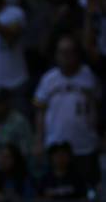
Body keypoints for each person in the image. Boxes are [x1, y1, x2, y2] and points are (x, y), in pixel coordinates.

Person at [34, 35, 102, 189]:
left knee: (87, 191)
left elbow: (99, 108)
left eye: (70, 52)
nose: (66, 56)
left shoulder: (89, 76)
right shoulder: (48, 79)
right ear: (56, 55)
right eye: (62, 52)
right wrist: (39, 140)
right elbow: (40, 111)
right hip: (56, 145)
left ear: (77, 54)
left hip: (85, 144)